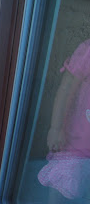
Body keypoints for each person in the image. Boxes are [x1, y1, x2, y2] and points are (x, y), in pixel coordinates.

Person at [38, 38, 90, 200]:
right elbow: (66, 88)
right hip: (75, 144)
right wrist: (56, 128)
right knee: (60, 186)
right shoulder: (87, 51)